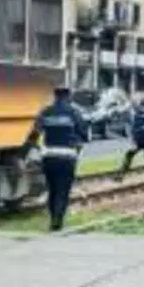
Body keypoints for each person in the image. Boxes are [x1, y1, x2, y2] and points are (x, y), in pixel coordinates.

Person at [23, 85, 88, 231]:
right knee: (63, 190)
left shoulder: (46, 112)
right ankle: (58, 220)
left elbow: (34, 135)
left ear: (55, 96)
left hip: (49, 156)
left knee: (52, 189)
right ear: (68, 96)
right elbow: (83, 133)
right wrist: (77, 142)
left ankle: (53, 218)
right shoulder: (73, 113)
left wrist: (32, 149)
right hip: (67, 157)